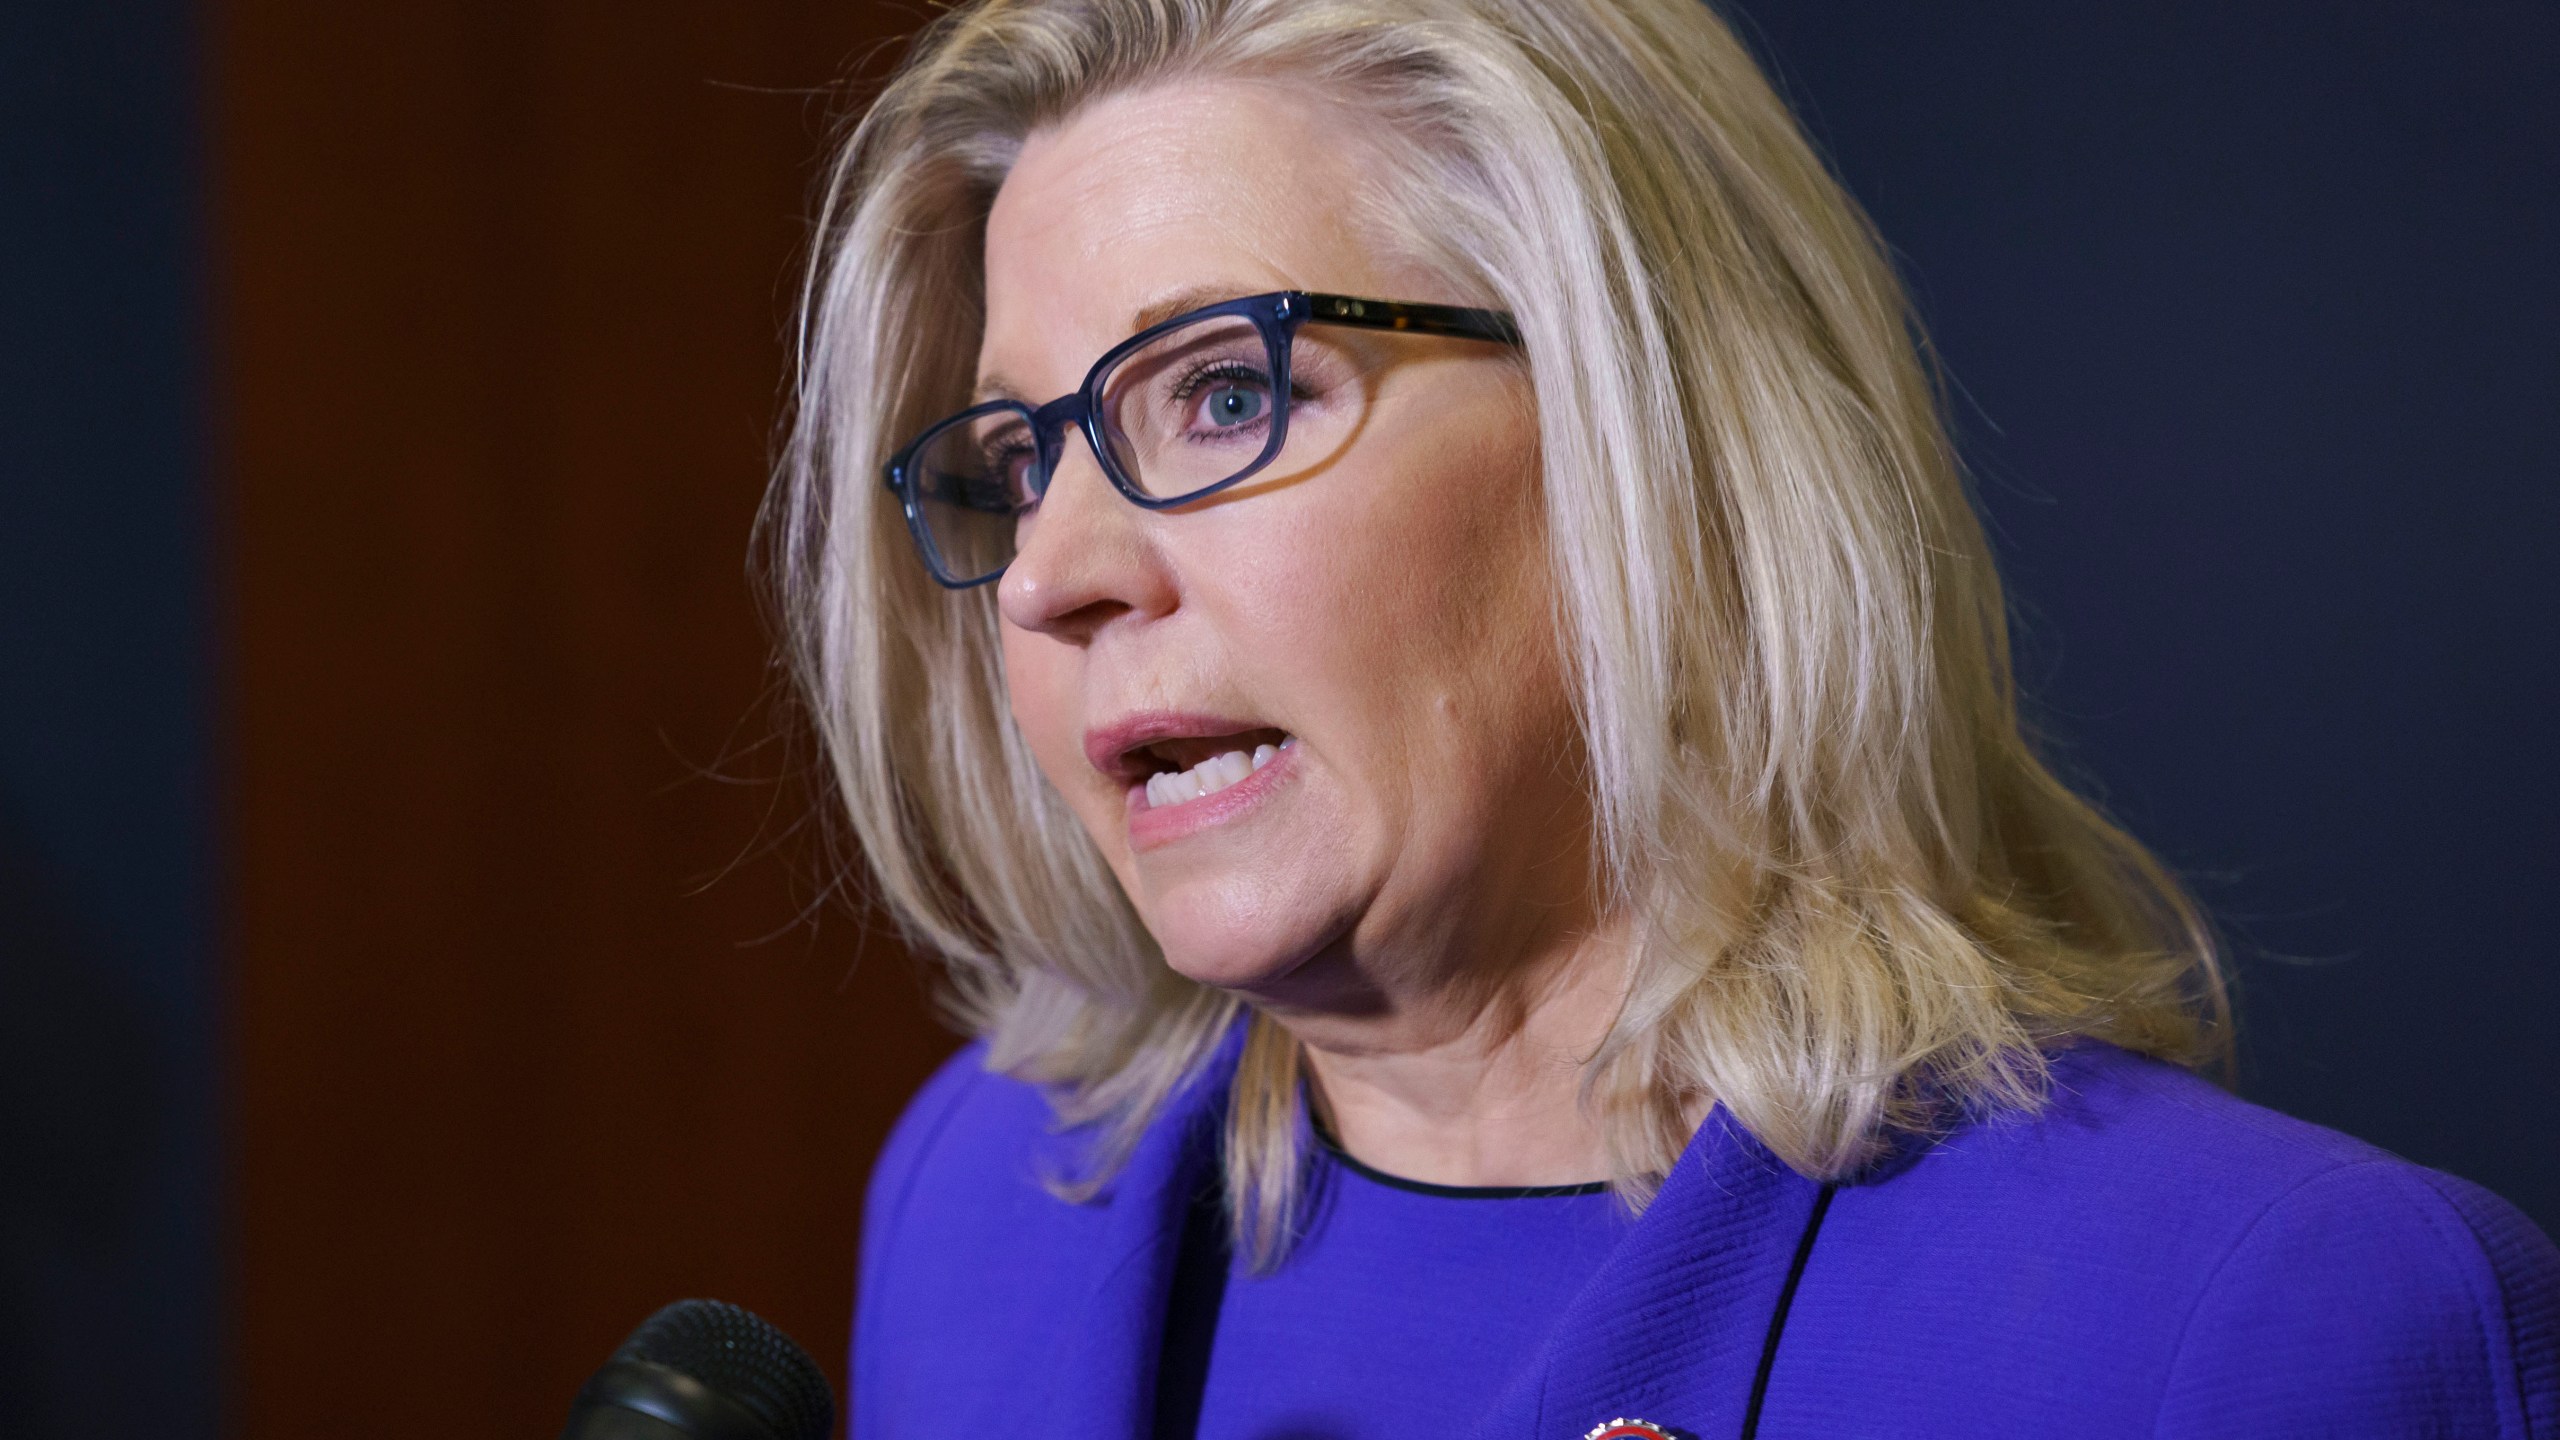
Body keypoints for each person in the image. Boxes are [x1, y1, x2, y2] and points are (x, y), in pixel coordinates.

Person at [764, 1, 2560, 1435]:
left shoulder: (2266, 1332)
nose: (1057, 570)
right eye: (1015, 461)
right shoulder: (984, 1208)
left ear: (1655, 437)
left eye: (1225, 390)